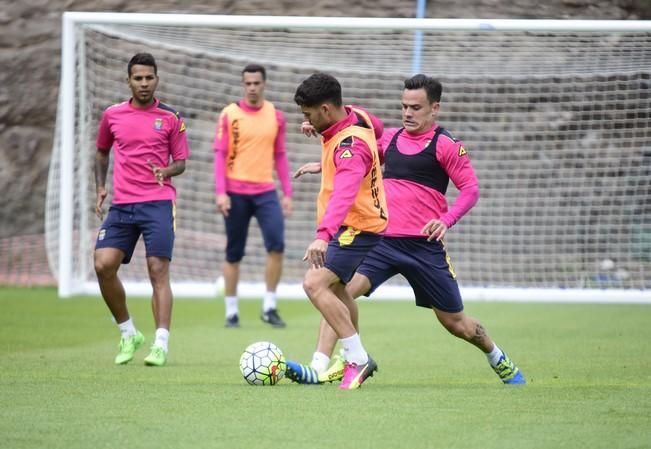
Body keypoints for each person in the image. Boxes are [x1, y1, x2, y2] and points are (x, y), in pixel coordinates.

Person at [287, 74, 525, 385]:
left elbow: (470, 190)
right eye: (403, 107)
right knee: (334, 289)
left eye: (415, 107)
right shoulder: (390, 139)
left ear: (434, 108)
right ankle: (324, 365)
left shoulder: (447, 146)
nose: (407, 113)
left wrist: (446, 219)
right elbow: (359, 159)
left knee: (457, 324)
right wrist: (324, 162)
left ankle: (497, 357)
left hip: (423, 247)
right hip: (382, 242)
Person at [94, 52, 190, 367]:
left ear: (157, 79)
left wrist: (166, 171)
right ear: (129, 81)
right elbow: (102, 151)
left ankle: (160, 343)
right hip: (122, 204)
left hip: (158, 203)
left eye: (149, 78)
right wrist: (100, 187)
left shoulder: (172, 117)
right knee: (103, 265)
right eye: (138, 78)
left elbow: (181, 162)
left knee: (157, 271)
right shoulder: (112, 115)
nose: (144, 83)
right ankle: (128, 332)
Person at [293, 73, 388, 390]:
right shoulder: (356, 116)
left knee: (314, 283)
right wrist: (328, 161)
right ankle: (345, 360)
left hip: (356, 225)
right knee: (337, 291)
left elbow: (343, 195)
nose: (306, 122)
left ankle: (358, 359)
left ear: (325, 109)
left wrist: (322, 234)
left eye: (308, 116)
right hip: (362, 223)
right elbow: (379, 129)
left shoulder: (349, 149)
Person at [213, 64, 293, 328]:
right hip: (235, 193)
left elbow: (280, 155)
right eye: (247, 83)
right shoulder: (229, 114)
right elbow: (220, 154)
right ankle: (231, 311)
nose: (252, 88)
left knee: (277, 245)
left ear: (264, 84)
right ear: (242, 84)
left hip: (266, 192)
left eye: (256, 83)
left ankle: (269, 306)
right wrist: (221, 192)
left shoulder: (276, 116)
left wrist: (287, 192)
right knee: (234, 253)